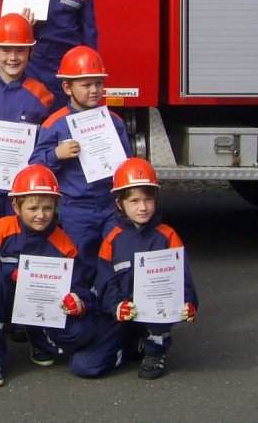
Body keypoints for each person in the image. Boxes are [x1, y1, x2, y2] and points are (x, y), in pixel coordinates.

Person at [71, 158, 198, 380]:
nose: (143, 207)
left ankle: (155, 350)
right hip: (121, 314)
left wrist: (188, 303)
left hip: (154, 314)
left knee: (158, 312)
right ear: (120, 204)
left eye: (148, 199)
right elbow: (105, 283)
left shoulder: (167, 236)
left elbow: (182, 279)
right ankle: (129, 348)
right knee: (84, 366)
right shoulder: (112, 240)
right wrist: (117, 306)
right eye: (135, 201)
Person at [0, 164, 94, 387]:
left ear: (56, 205)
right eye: (33, 208)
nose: (41, 215)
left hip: (42, 306)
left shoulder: (64, 245)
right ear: (16, 206)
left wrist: (77, 301)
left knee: (83, 333)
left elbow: (79, 287)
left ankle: (38, 339)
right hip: (2, 301)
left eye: (47, 207)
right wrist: (10, 272)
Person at [29, 46, 131, 271]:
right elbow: (35, 166)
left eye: (99, 83)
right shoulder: (55, 124)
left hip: (111, 205)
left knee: (115, 259)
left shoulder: (114, 122)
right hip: (76, 207)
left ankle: (112, 303)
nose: (94, 90)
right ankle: (84, 303)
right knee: (81, 262)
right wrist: (57, 154)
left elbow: (127, 165)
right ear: (67, 87)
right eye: (86, 85)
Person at [0, 13, 53, 240]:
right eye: (5, 50)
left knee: (24, 242)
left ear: (30, 53)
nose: (12, 58)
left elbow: (47, 140)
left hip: (26, 189)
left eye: (20, 50)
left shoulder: (42, 96)